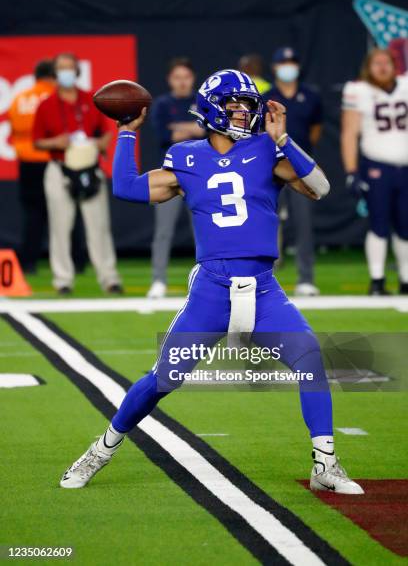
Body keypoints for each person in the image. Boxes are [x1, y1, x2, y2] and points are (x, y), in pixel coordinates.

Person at [60, 69, 363, 495]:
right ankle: (102, 448)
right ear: (211, 110)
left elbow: (320, 187)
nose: (245, 113)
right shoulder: (186, 156)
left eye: (248, 105)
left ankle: (325, 464)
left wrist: (282, 139)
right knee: (163, 379)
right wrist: (127, 133)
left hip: (263, 288)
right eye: (235, 105)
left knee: (310, 358)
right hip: (213, 290)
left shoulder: (265, 148)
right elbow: (128, 189)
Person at [33, 52, 122, 295]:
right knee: (60, 228)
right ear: (54, 73)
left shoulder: (91, 100)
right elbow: (37, 142)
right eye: (61, 69)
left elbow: (106, 131)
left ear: (77, 71)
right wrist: (56, 142)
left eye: (70, 68)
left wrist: (101, 143)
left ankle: (109, 278)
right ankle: (62, 280)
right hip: (60, 168)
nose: (66, 73)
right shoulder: (46, 105)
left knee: (99, 226)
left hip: (90, 168)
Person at [341, 48, 408, 295]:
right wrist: (351, 170)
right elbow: (350, 132)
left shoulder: (404, 85)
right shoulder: (359, 91)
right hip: (377, 166)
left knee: (405, 226)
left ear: (395, 65)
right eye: (376, 63)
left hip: (405, 168)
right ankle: (377, 281)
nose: (381, 67)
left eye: (386, 62)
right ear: (368, 67)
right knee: (379, 224)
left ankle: (405, 279)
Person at [263, 47, 323, 296]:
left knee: (304, 223)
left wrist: (299, 155)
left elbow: (315, 131)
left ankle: (306, 278)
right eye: (283, 62)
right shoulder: (267, 97)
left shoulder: (310, 95)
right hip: (272, 165)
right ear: (275, 67)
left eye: (291, 61)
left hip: (298, 167)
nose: (288, 66)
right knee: (266, 222)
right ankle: (266, 279)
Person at [147, 57, 204, 299]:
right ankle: (158, 280)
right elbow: (163, 134)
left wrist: (179, 129)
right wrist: (191, 129)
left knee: (203, 230)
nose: (182, 82)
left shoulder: (202, 102)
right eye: (177, 77)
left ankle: (207, 280)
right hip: (169, 173)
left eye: (186, 77)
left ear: (192, 78)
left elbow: (207, 133)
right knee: (163, 230)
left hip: (200, 174)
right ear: (170, 79)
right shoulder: (161, 104)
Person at [8, 60, 55, 274]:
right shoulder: (54, 97)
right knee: (63, 214)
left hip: (27, 162)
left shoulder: (19, 98)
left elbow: (14, 128)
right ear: (52, 76)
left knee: (32, 214)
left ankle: (29, 262)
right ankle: (76, 261)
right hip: (52, 160)